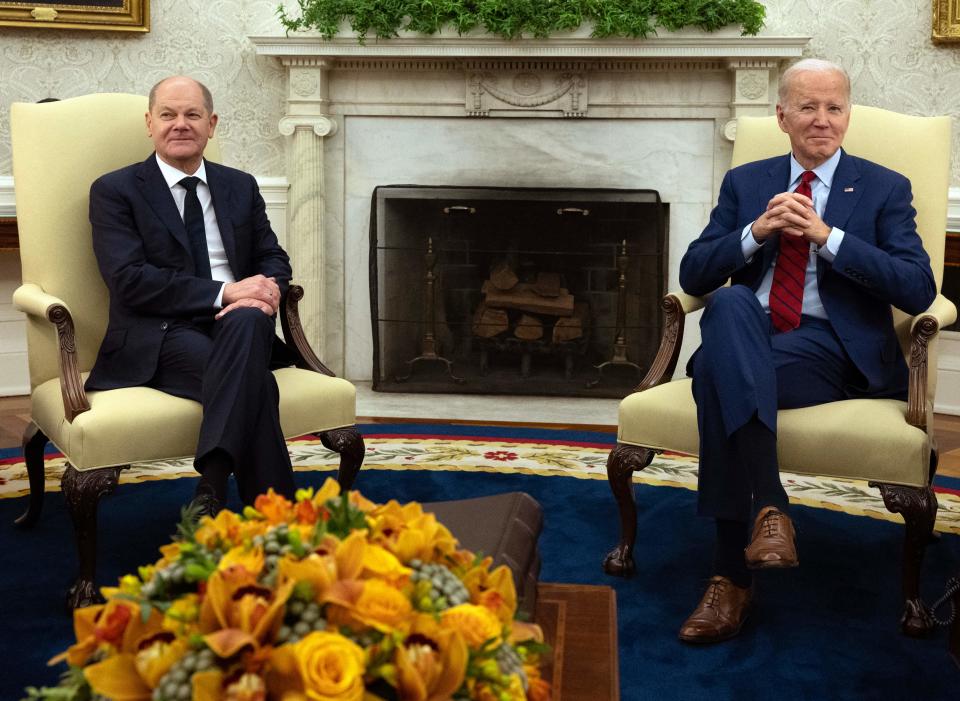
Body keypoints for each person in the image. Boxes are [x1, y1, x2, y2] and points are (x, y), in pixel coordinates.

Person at [676, 58, 936, 643]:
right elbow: (694, 273)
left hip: (831, 349)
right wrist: (755, 233)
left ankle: (728, 577)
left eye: (834, 107)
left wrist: (829, 238)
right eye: (808, 107)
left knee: (716, 377)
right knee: (728, 305)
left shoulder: (883, 187)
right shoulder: (747, 183)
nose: (822, 120)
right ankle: (770, 508)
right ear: (782, 116)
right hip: (752, 334)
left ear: (847, 115)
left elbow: (918, 287)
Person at [85, 75, 298, 516]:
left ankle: (212, 486)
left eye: (192, 114)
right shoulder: (116, 191)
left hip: (239, 323)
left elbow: (272, 256)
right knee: (258, 385)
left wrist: (263, 291)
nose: (179, 124)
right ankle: (281, 523)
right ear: (150, 123)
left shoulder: (240, 186)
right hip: (160, 333)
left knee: (248, 319)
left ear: (212, 124)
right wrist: (226, 292)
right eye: (168, 114)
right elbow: (129, 279)